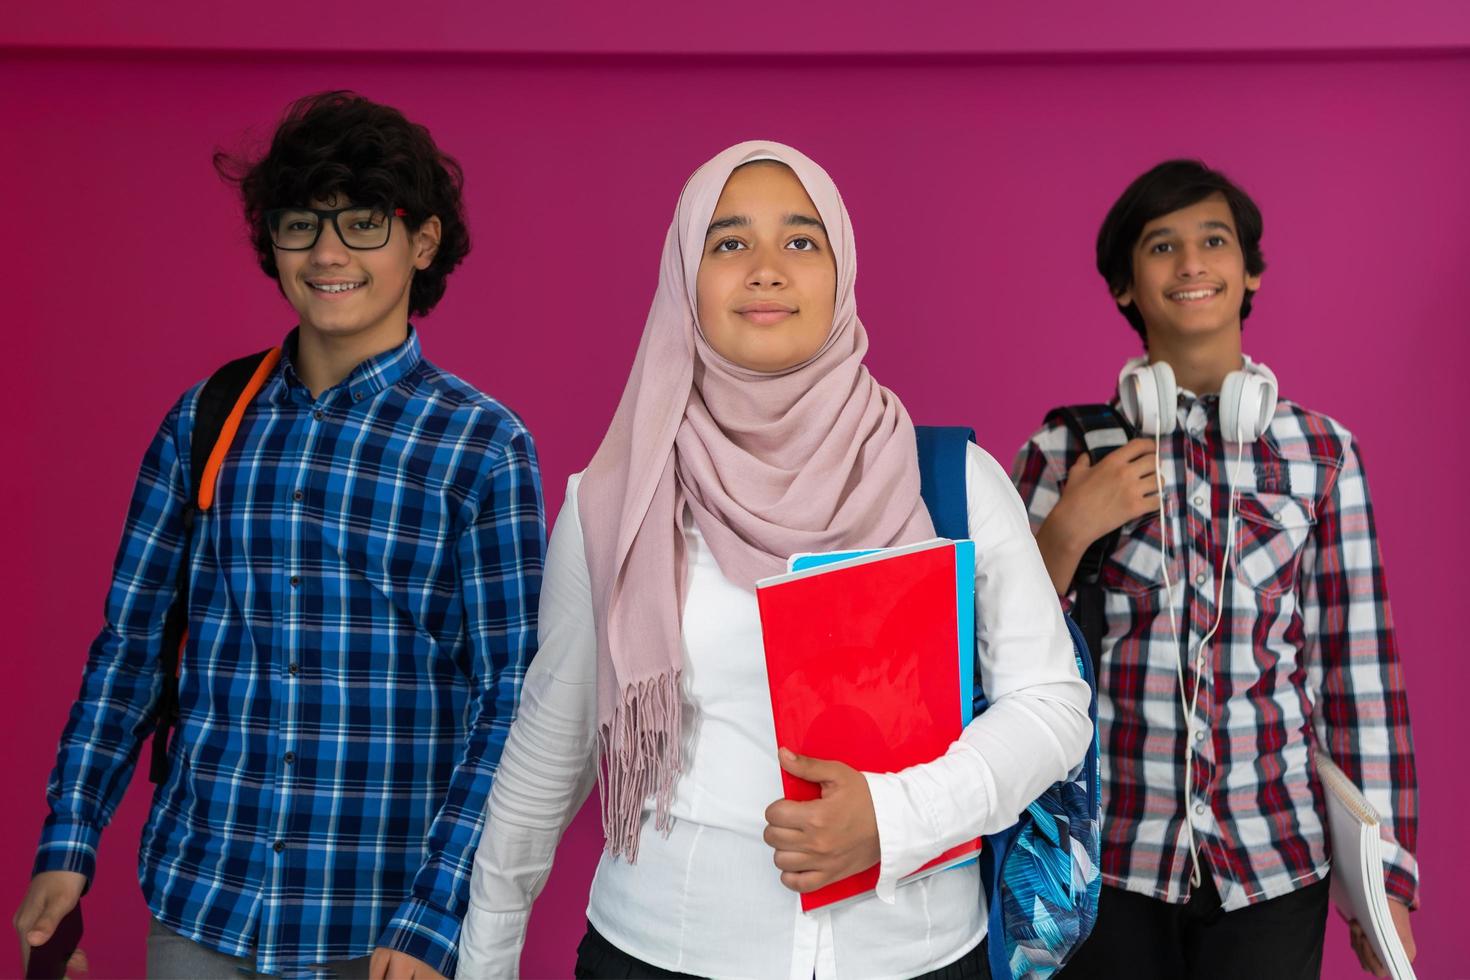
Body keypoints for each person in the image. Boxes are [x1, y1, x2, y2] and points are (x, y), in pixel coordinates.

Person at [455, 141, 1092, 979]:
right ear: (686, 278)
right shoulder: (616, 499)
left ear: (842, 274)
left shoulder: (949, 484)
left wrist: (894, 818)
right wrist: (485, 955)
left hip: (917, 956)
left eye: (801, 241)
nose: (766, 269)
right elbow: (551, 741)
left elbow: (1052, 705)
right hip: (664, 952)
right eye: (728, 243)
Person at [13, 91, 546, 979]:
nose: (329, 251)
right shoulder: (205, 421)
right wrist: (70, 838)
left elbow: (512, 703)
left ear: (422, 245)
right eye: (301, 224)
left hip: (377, 922)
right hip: (201, 900)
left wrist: (435, 913)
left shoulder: (482, 447)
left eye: (364, 223)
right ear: (273, 245)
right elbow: (132, 649)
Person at [1012, 160, 1418, 979]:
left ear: (1250, 271)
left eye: (1213, 241)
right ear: (1126, 286)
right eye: (1162, 246)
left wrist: (1388, 887)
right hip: (1109, 865)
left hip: (1273, 864)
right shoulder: (1062, 453)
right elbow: (1001, 660)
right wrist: (1066, 534)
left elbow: (1357, 675)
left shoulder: (1321, 454)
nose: (1191, 263)